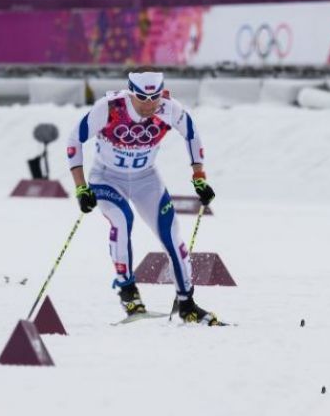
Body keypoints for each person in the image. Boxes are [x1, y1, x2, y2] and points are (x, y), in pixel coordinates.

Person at [67, 68, 220, 325]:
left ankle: (187, 304)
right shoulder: (109, 107)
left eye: (155, 97)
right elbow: (74, 139)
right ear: (131, 93)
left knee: (172, 236)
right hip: (106, 178)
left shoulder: (170, 109)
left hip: (146, 179)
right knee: (122, 220)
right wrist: (81, 187)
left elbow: (192, 135)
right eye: (142, 98)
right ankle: (129, 293)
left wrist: (199, 177)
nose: (150, 104)